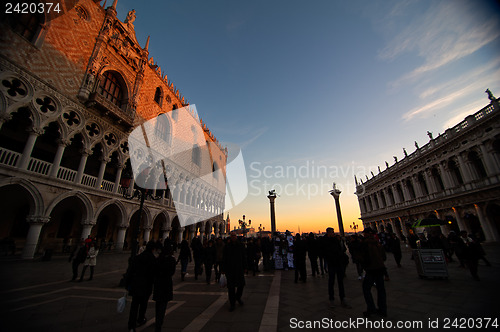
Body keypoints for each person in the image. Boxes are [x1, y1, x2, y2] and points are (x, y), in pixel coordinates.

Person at [126, 241, 159, 331]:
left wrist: (127, 284)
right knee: (143, 303)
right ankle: (141, 318)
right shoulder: (153, 259)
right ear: (153, 249)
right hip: (146, 286)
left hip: (136, 285)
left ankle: (131, 325)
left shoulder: (137, 258)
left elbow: (130, 271)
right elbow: (154, 274)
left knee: (134, 305)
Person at [360, 227, 387, 317]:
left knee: (366, 288)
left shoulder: (365, 243)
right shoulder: (378, 243)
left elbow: (363, 258)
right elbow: (384, 256)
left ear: (367, 234)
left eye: (364, 233)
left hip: (371, 269)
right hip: (380, 268)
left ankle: (371, 308)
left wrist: (365, 267)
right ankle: (383, 310)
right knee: (381, 289)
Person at [321, 227, 350, 308]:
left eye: (333, 232)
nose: (333, 233)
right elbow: (323, 252)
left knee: (340, 281)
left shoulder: (335, 240)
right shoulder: (324, 241)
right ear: (328, 233)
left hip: (338, 263)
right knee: (331, 282)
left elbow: (341, 250)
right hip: (331, 263)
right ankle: (331, 299)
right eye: (332, 232)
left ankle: (342, 298)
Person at [153, 244, 176, 332]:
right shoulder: (171, 260)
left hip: (158, 284)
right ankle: (159, 321)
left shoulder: (158, 259)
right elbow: (172, 272)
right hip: (166, 284)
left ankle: (157, 320)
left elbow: (154, 270)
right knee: (163, 304)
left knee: (158, 303)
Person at [222, 231, 246, 312]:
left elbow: (244, 256)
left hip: (239, 269)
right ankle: (232, 304)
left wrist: (245, 267)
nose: (233, 237)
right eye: (232, 236)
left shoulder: (241, 245)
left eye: (234, 236)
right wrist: (223, 269)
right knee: (231, 288)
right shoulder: (227, 246)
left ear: (236, 236)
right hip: (230, 270)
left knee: (241, 285)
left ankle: (238, 297)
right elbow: (224, 258)